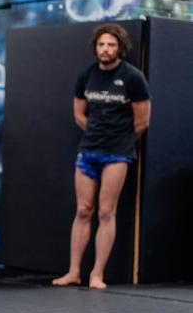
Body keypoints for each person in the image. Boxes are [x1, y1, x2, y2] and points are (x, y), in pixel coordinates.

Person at [53, 23, 151, 290]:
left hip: (118, 154)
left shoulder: (133, 77)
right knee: (83, 209)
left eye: (110, 44)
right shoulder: (87, 75)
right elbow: (79, 114)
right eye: (101, 44)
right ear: (95, 47)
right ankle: (74, 271)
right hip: (88, 150)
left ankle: (97, 274)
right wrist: (97, 133)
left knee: (107, 211)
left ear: (120, 47)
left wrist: (118, 139)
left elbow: (142, 122)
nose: (105, 49)